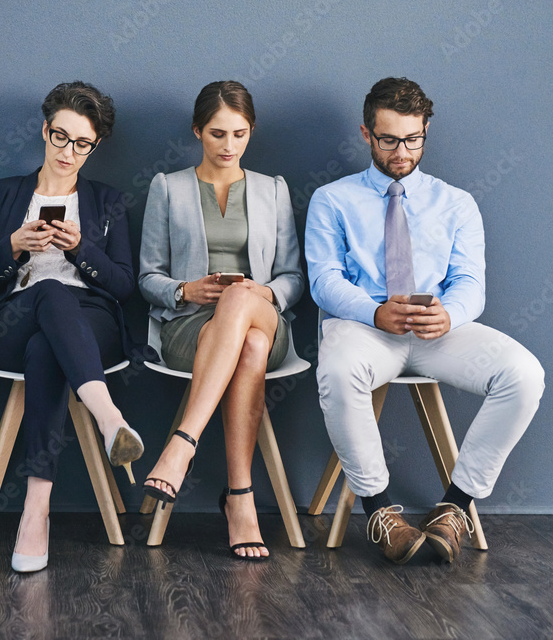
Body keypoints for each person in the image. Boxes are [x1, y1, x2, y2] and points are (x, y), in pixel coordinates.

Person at [306, 77, 544, 564]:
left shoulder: (456, 203)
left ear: (425, 130)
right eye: (389, 139)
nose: (402, 151)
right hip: (365, 328)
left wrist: (448, 314)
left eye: (413, 139)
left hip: (437, 331)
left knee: (525, 375)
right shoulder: (333, 199)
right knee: (336, 370)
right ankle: (378, 511)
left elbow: (471, 283)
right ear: (366, 133)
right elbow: (324, 281)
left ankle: (455, 506)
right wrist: (374, 311)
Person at [0, 81, 143, 573]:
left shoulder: (106, 201)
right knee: (47, 292)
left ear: (96, 146)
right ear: (45, 130)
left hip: (90, 325)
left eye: (82, 143)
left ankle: (34, 513)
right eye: (60, 137)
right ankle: (109, 417)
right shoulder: (3, 194)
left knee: (49, 346)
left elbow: (124, 285)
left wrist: (80, 250)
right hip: (12, 321)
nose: (69, 152)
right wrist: (16, 246)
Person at [139, 81, 304, 560]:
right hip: (190, 327)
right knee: (248, 345)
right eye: (217, 134)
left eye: (239, 134)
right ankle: (240, 499)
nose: (228, 146)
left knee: (243, 308)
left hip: (264, 316)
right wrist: (184, 289)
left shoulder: (273, 190)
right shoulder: (167, 188)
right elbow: (147, 276)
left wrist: (261, 292)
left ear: (250, 133)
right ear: (197, 132)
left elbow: (293, 277)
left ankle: (182, 443)